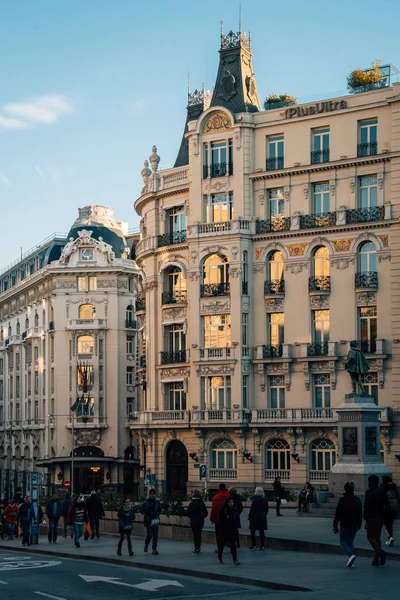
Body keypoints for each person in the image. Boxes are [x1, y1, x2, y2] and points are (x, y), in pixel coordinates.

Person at [332, 481, 362, 568]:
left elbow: (338, 513)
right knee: (350, 542)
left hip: (344, 523)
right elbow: (360, 513)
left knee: (343, 542)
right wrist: (359, 524)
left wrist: (335, 525)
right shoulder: (357, 500)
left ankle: (350, 555)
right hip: (354, 524)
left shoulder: (342, 500)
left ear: (345, 489)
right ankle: (351, 560)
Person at [364, 474, 389, 566]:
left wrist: (365, 518)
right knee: (377, 538)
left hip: (371, 517)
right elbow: (386, 504)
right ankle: (376, 559)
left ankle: (381, 553)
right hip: (380, 517)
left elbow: (366, 506)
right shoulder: (381, 491)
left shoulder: (369, 492)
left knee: (370, 537)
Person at [217, 497, 240, 565]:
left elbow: (237, 519)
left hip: (232, 529)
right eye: (230, 502)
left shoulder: (234, 510)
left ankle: (234, 559)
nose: (231, 504)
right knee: (222, 544)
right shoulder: (223, 510)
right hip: (224, 530)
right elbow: (220, 521)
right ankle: (219, 557)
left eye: (232, 502)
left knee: (233, 545)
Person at [210, 483, 231, 552]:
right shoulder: (229, 496)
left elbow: (214, 509)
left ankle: (219, 547)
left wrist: (212, 518)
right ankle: (229, 544)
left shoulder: (217, 497)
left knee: (218, 533)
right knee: (228, 532)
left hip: (219, 519)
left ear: (219, 488)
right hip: (228, 518)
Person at [140, 489, 162, 555]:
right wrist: (147, 508)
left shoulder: (157, 501)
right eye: (151, 494)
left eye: (154, 494)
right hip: (148, 520)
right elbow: (141, 511)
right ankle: (146, 545)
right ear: (149, 494)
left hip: (155, 520)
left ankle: (154, 549)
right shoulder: (146, 502)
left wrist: (157, 513)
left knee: (155, 535)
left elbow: (160, 509)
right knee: (149, 535)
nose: (153, 495)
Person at [381, 475, 399, 547]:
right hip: (393, 508)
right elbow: (397, 496)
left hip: (386, 509)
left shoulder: (383, 487)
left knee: (385, 524)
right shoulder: (394, 486)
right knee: (390, 524)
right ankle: (390, 538)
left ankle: (390, 537)